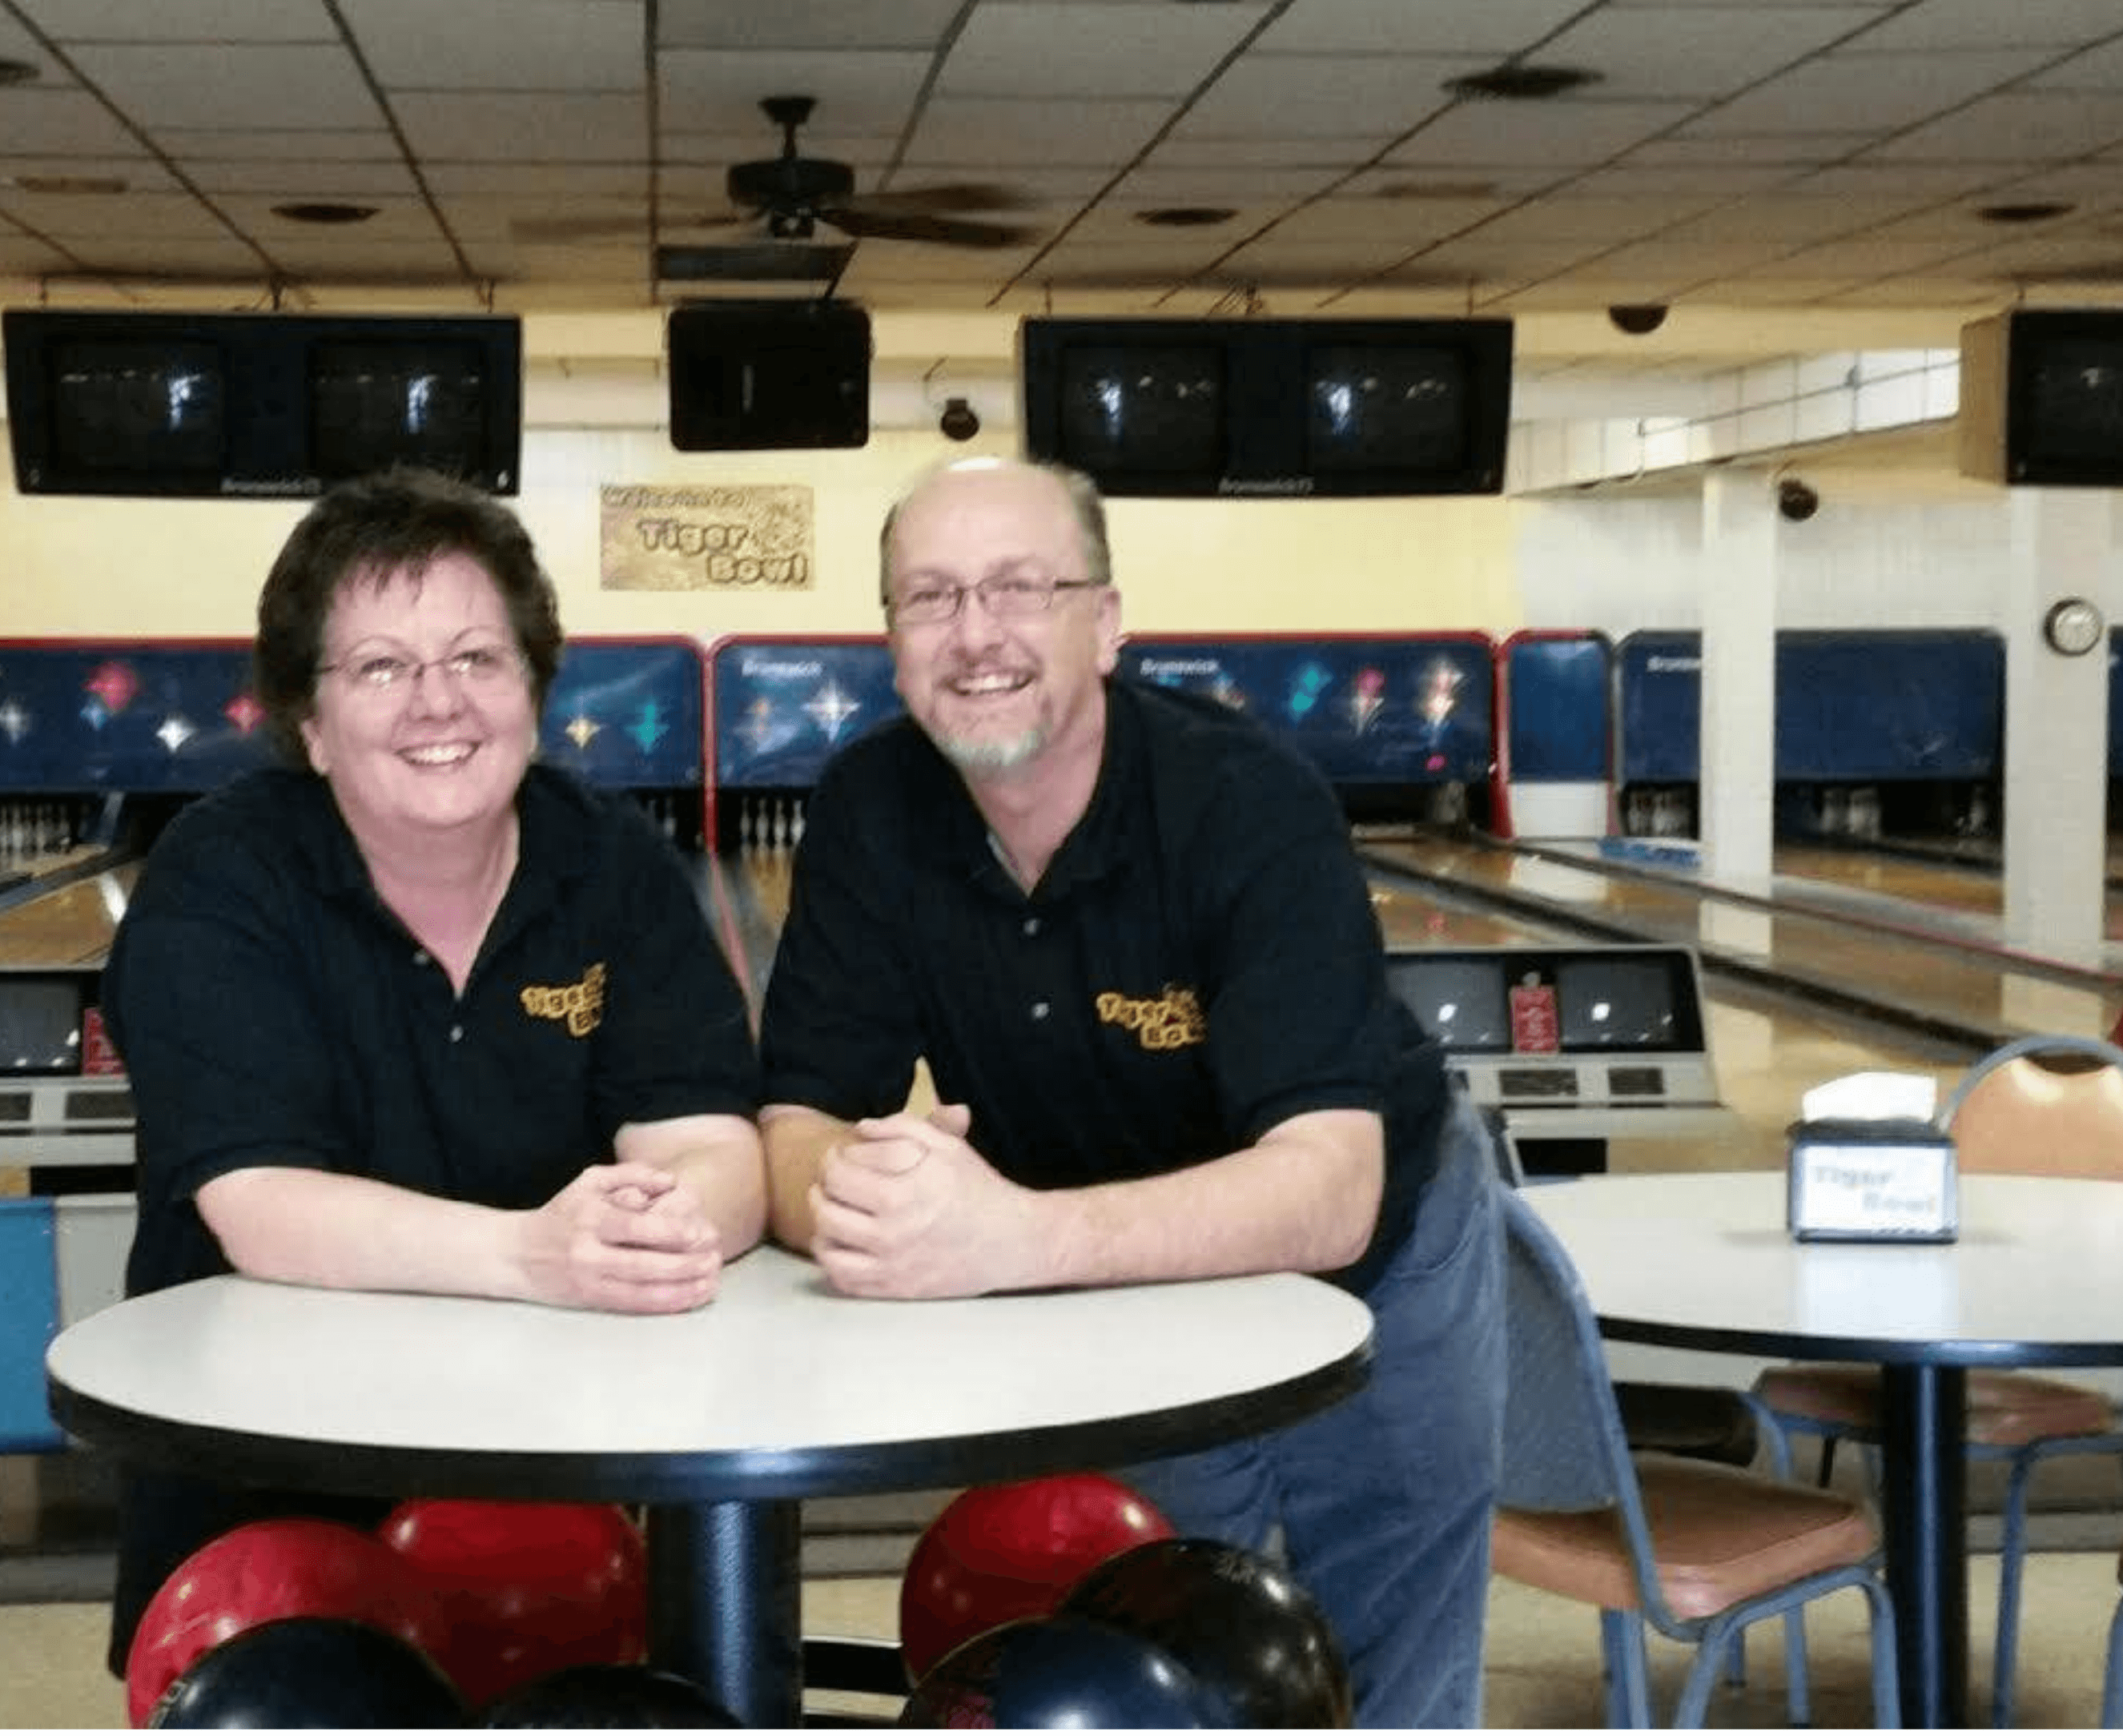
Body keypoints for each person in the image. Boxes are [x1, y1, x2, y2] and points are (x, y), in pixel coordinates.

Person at [756, 455, 1506, 1727]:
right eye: (929, 597)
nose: (976, 631)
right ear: (889, 639)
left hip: (1385, 1269)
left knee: (1392, 1676)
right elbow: (793, 1122)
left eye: (1019, 587)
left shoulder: (1245, 803)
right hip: (1116, 1295)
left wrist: (1012, 1238)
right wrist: (862, 1194)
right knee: (1165, 1651)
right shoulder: (871, 809)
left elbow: (1330, 1188)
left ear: (1104, 623)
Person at [97, 466, 767, 1672]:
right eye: (380, 668)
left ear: (533, 686)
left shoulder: (609, 866)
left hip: (551, 1458)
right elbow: (260, 1203)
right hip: (266, 1473)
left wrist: (668, 1222)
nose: (436, 703)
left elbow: (712, 1137)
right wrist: (535, 1254)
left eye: (475, 658)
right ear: (309, 719)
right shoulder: (222, 881)